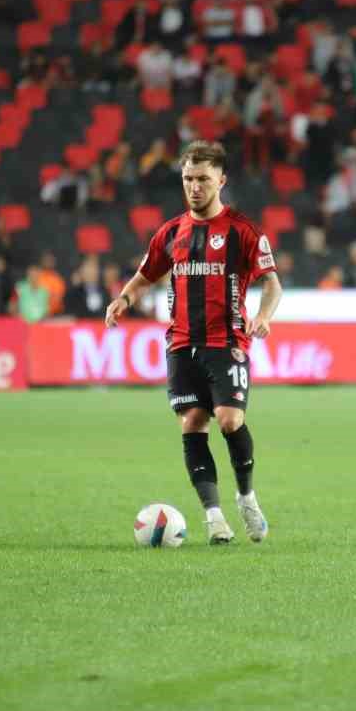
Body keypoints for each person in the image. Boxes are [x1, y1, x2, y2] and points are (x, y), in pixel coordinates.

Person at [104, 141, 283, 545]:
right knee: (192, 422)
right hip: (182, 343)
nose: (195, 187)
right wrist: (124, 299)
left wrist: (265, 317)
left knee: (229, 419)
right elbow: (146, 274)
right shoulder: (171, 232)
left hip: (227, 340)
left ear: (221, 180)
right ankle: (214, 518)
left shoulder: (244, 231)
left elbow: (273, 285)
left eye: (203, 179)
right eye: (188, 179)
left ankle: (246, 497)